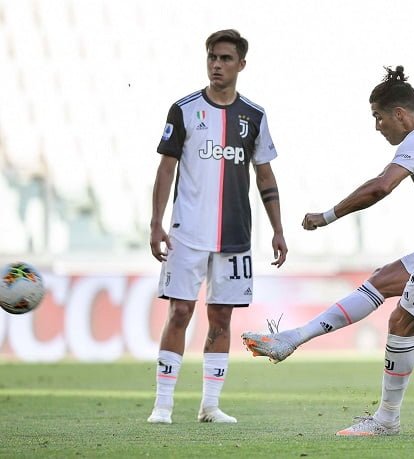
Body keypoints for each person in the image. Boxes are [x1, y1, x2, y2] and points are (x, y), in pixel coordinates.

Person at [242, 66, 414, 436]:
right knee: (382, 280)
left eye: (378, 118)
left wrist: (327, 216)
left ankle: (385, 421)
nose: (377, 127)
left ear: (400, 114)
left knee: (402, 322)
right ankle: (292, 339)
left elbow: (381, 187)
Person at [147, 29, 287, 424]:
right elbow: (165, 168)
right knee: (180, 312)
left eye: (225, 58)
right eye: (212, 57)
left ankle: (210, 406)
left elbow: (265, 176)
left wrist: (277, 229)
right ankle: (163, 405)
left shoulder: (254, 116)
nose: (216, 65)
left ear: (241, 64)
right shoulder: (184, 109)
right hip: (188, 232)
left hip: (235, 234)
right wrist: (156, 223)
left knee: (222, 318)